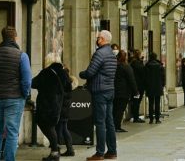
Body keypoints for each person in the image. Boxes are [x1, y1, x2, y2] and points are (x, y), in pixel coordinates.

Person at [0, 26, 31, 161]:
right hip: (15, 98)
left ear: (2, 37)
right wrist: (24, 95)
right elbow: (27, 81)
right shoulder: (22, 55)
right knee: (12, 132)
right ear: (15, 37)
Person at [79, 30, 118, 161]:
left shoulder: (100, 54)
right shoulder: (112, 54)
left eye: (98, 38)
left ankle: (100, 153)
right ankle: (112, 151)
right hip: (110, 90)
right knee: (109, 122)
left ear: (102, 39)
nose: (97, 40)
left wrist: (81, 74)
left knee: (100, 122)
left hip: (99, 91)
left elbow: (90, 72)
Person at [32, 61, 72, 161]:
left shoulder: (46, 72)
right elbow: (69, 88)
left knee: (46, 125)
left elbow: (33, 83)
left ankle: (54, 151)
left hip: (47, 105)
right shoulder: (64, 73)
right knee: (56, 127)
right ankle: (56, 148)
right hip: (60, 105)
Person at [56, 65, 78, 157]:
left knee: (60, 129)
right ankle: (69, 149)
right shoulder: (68, 83)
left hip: (62, 110)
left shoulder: (64, 84)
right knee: (64, 129)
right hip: (65, 110)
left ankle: (58, 149)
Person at [113, 50, 138, 132]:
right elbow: (131, 80)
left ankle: (113, 125)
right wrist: (135, 91)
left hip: (114, 91)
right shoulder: (126, 67)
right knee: (120, 110)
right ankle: (117, 126)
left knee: (114, 109)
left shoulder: (115, 66)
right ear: (125, 57)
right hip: (124, 92)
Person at [145, 52, 166, 124]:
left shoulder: (147, 66)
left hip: (150, 87)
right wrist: (162, 85)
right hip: (158, 86)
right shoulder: (160, 66)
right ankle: (157, 119)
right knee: (157, 103)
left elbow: (145, 77)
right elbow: (163, 77)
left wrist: (146, 86)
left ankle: (151, 119)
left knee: (151, 103)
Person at [130, 49, 146, 123]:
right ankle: (135, 117)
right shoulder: (137, 63)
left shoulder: (133, 63)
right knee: (136, 101)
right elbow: (142, 72)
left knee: (136, 101)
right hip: (138, 86)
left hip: (136, 86)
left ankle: (135, 115)